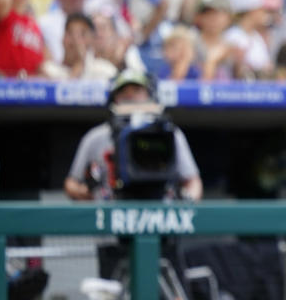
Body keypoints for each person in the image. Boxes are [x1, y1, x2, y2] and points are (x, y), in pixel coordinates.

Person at [63, 69, 202, 201]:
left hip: (161, 209)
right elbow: (71, 183)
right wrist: (90, 195)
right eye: (123, 91)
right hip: (111, 210)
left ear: (150, 95)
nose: (130, 96)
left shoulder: (169, 133)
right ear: (114, 98)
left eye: (137, 91)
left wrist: (186, 202)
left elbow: (193, 181)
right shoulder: (96, 137)